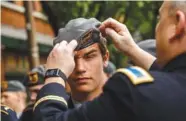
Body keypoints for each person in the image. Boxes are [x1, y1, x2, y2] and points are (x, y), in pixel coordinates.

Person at [33, 1, 186, 121]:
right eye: (72, 59)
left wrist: (54, 74)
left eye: (160, 19)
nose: (80, 68)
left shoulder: (127, 94)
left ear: (178, 24)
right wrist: (133, 50)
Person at [53, 18, 109, 108]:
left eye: (89, 56)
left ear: (105, 58)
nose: (80, 68)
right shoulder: (52, 113)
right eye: (71, 59)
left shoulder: (129, 108)